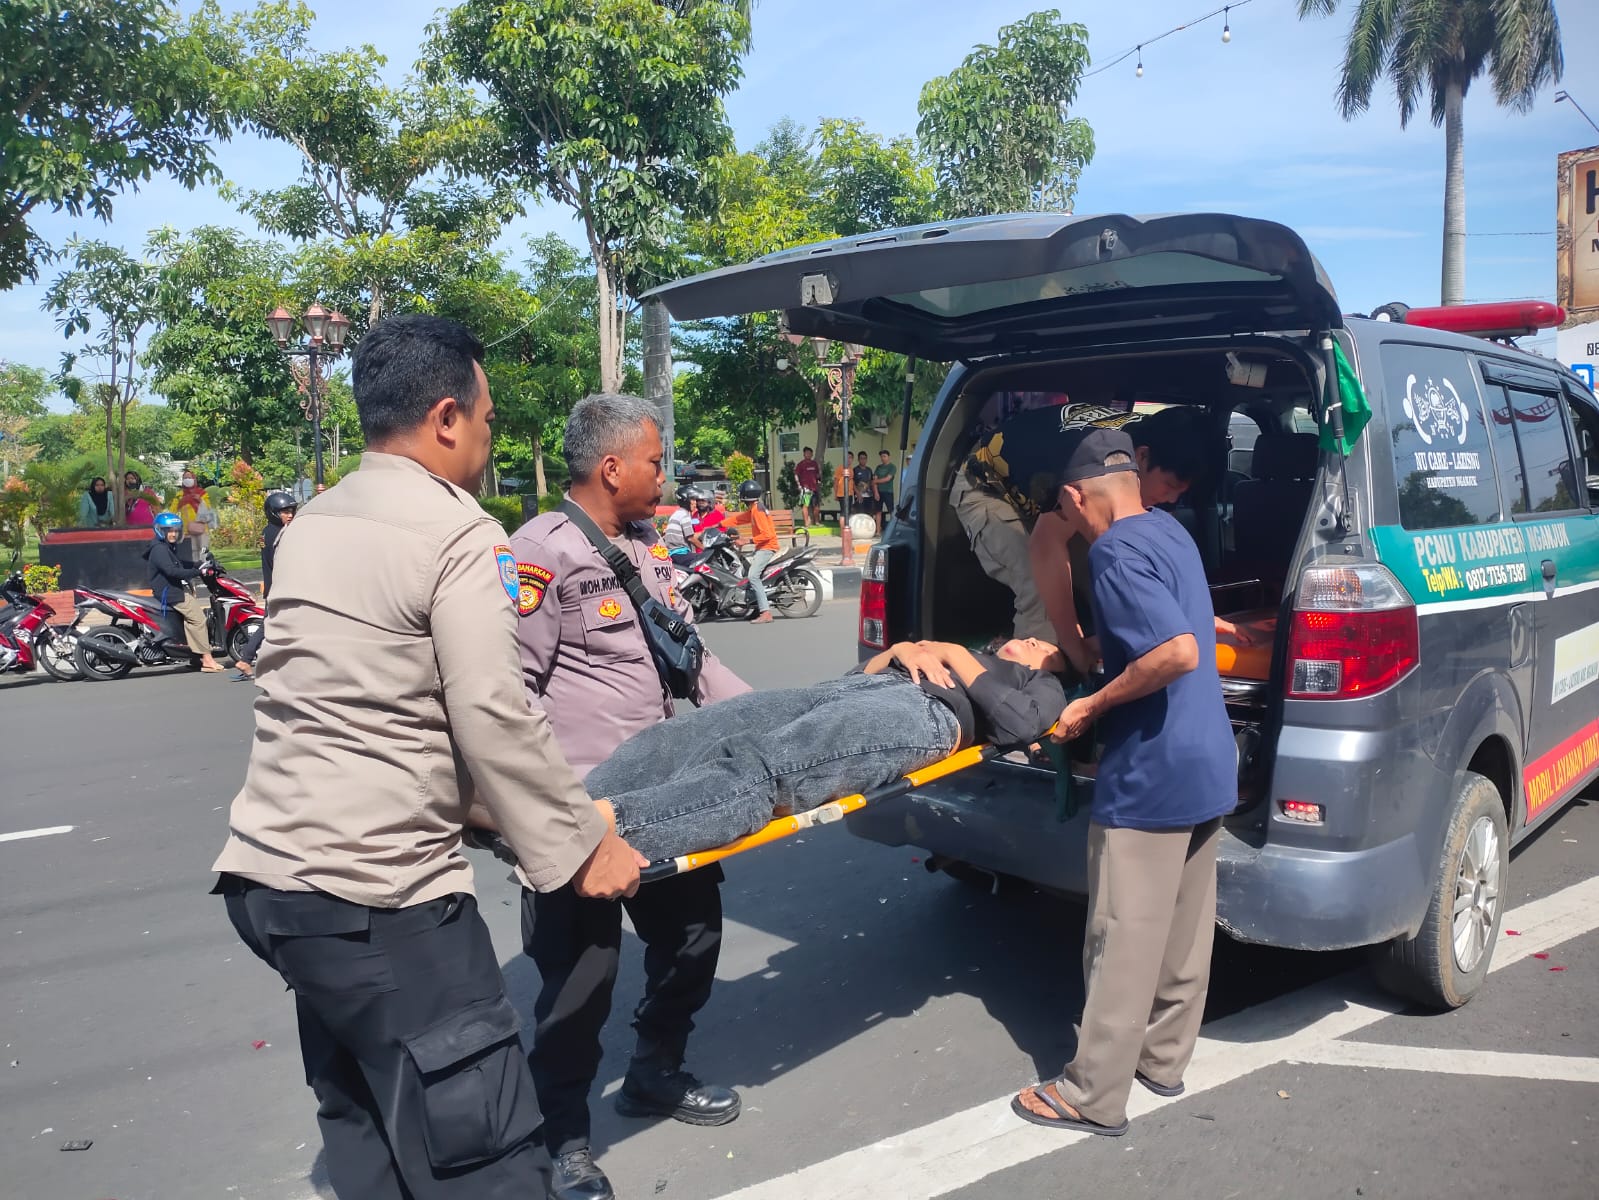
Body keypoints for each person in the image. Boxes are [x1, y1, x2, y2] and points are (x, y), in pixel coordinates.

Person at [211, 315, 642, 1200]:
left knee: (369, 1129)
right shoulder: (458, 533)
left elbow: (368, 707)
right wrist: (581, 845)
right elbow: (492, 712)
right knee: (484, 1153)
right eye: (485, 418)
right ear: (447, 417)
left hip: (271, 886)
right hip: (382, 898)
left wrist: (495, 815)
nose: (486, 437)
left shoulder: (314, 524)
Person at [498, 392, 751, 1200]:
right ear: (611, 468)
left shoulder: (643, 544)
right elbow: (510, 694)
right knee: (581, 978)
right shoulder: (538, 554)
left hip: (667, 795)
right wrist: (541, 819)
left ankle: (656, 1069)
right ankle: (564, 1140)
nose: (663, 475)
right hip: (582, 809)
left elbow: (695, 659)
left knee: (693, 940)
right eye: (653, 460)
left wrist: (765, 729)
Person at [1011, 428, 1234, 1138]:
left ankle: (1091, 1093)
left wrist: (1092, 702)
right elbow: (1165, 632)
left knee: (1121, 932)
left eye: (1068, 511)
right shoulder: (1168, 532)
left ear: (1076, 496)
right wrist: (1100, 654)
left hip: (1151, 770)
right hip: (1207, 757)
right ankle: (1162, 1060)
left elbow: (1174, 650)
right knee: (1181, 930)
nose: (1071, 524)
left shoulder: (1110, 550)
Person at [587, 637, 1067, 862]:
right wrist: (900, 649)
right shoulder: (981, 647)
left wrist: (949, 652)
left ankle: (615, 823)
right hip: (861, 690)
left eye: (1041, 645)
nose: (1030, 639)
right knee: (714, 723)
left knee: (772, 766)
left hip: (928, 716)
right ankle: (575, 798)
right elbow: (862, 675)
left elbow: (1018, 726)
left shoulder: (1044, 686)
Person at [1028, 406, 1253, 675]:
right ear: (1141, 456)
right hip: (989, 485)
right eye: (1169, 486)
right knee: (1039, 596)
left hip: (1069, 501)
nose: (1171, 500)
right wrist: (1070, 644)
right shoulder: (1093, 463)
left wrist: (1183, 617)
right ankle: (1034, 691)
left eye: (1180, 494)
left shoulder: (1148, 462)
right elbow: (1045, 544)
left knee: (1104, 581)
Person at [144, 511, 223, 672]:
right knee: (198, 619)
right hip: (170, 592)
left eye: (175, 530)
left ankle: (195, 658)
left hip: (172, 589)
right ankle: (207, 659)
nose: (173, 534)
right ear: (161, 530)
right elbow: (173, 571)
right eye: (169, 531)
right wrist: (197, 572)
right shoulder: (159, 549)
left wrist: (197, 564)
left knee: (189, 621)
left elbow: (178, 563)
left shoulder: (165, 546)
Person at [231, 491, 297, 682]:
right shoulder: (279, 535)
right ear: (274, 513)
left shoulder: (268, 532)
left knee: (273, 624)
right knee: (270, 624)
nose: (289, 515)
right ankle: (246, 659)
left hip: (275, 586)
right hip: (282, 586)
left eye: (291, 510)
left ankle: (253, 659)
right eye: (284, 511)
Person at [725, 479, 778, 624]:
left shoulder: (758, 511)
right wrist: (720, 524)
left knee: (753, 576)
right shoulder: (755, 508)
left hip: (767, 548)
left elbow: (767, 535)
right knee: (747, 572)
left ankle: (766, 613)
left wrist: (746, 541)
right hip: (762, 548)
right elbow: (740, 519)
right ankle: (756, 608)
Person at [172, 471, 219, 562]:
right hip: (187, 529)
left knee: (203, 548)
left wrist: (200, 500)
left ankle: (204, 569)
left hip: (201, 527)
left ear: (194, 479)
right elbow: (173, 510)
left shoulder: (202, 493)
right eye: (185, 478)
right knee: (193, 550)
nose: (187, 480)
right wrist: (180, 502)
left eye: (189, 477)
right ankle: (196, 570)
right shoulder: (179, 495)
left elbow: (208, 508)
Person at [662, 485, 706, 561]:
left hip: (673, 553)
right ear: (686, 500)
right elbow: (691, 538)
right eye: (693, 500)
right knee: (705, 562)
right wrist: (705, 549)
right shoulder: (684, 515)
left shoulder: (677, 514)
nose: (695, 503)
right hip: (680, 553)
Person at [794, 446, 821, 527]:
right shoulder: (801, 464)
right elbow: (796, 474)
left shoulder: (814, 463)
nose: (808, 454)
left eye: (810, 453)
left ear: (812, 454)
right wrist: (798, 484)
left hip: (814, 488)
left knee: (816, 506)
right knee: (805, 505)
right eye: (806, 453)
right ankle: (806, 523)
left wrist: (819, 482)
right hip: (806, 488)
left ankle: (816, 522)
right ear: (804, 454)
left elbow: (817, 474)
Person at [873, 449, 897, 534]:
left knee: (891, 511)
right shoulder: (878, 467)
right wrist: (875, 492)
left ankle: (892, 531)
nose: (883, 458)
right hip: (878, 492)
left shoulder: (892, 467)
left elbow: (888, 478)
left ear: (888, 457)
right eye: (881, 456)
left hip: (888, 491)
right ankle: (878, 531)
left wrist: (876, 481)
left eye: (884, 456)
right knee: (878, 511)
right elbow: (874, 480)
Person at [851, 450, 874, 518]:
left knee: (869, 515)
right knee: (860, 515)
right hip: (859, 496)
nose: (863, 460)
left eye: (864, 458)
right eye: (861, 458)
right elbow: (852, 483)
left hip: (869, 496)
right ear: (858, 459)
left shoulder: (869, 470)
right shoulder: (855, 470)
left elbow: (871, 481)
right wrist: (857, 493)